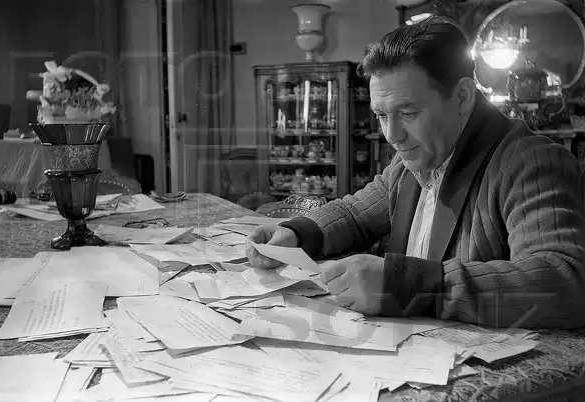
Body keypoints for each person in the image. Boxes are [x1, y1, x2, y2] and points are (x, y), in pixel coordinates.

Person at [246, 16, 585, 329]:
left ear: (463, 96)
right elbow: (355, 214)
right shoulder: (410, 161)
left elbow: (567, 281)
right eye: (381, 115)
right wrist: (296, 234)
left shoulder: (531, 162)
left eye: (408, 113)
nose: (392, 135)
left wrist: (407, 286)